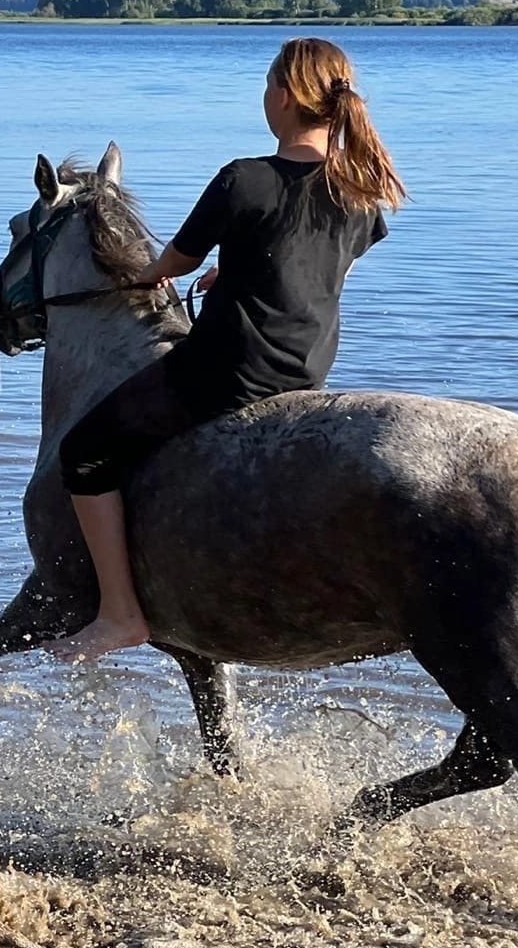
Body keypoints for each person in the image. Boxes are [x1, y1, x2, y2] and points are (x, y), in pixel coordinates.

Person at [49, 37, 407, 661]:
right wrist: (236, 272)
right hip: (306, 371)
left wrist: (143, 275)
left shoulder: (244, 180)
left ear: (286, 96)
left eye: (268, 86)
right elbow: (317, 272)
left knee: (84, 450)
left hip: (228, 371)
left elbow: (169, 265)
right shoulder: (362, 198)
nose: (264, 97)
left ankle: (119, 612)